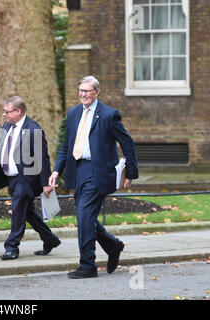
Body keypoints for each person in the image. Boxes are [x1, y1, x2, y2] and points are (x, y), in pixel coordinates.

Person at [49, 75, 139, 279]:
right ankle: (113, 245)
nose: (83, 94)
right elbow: (66, 146)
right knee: (86, 217)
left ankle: (87, 265)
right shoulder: (73, 113)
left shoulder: (109, 115)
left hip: (99, 172)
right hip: (78, 170)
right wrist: (56, 171)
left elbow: (127, 143)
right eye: (81, 91)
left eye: (87, 91)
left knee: (83, 217)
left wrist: (131, 172)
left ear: (97, 92)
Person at [0, 96, 61, 260]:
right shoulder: (8, 125)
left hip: (27, 178)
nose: (4, 115)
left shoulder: (33, 129)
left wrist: (46, 183)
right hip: (11, 178)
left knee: (18, 210)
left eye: (7, 112)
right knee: (27, 212)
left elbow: (43, 158)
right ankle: (50, 239)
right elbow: (0, 147)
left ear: (18, 111)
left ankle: (12, 247)